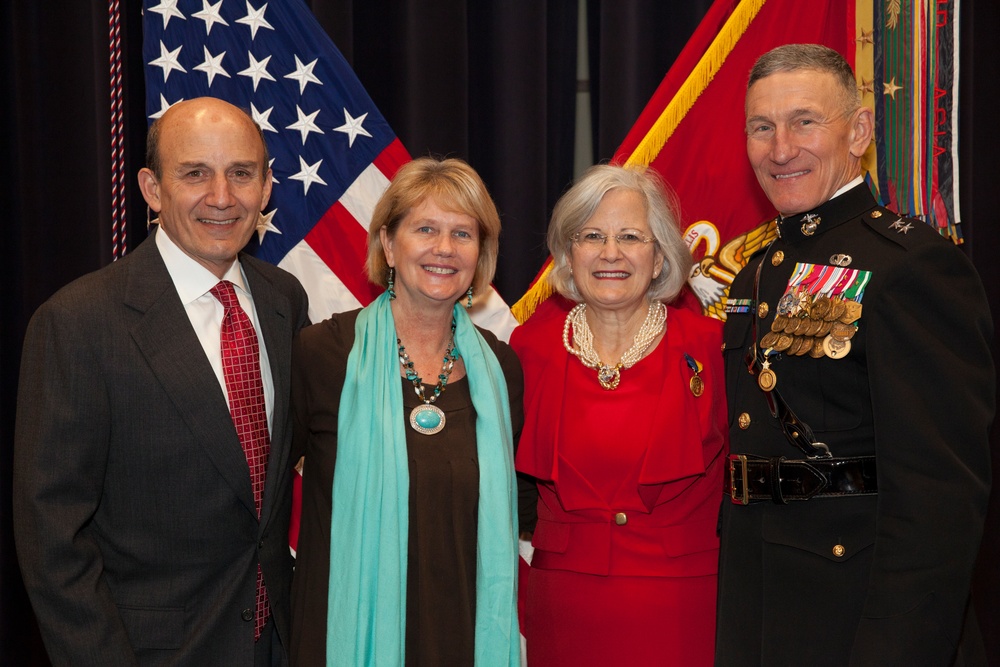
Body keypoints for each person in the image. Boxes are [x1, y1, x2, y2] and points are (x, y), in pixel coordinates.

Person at [716, 44, 994, 665]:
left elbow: (938, 502)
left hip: (858, 617)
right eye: (762, 127)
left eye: (805, 121)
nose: (780, 147)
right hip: (759, 607)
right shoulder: (754, 277)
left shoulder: (913, 266)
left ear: (860, 130)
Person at [13, 97, 309, 665]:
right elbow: (52, 538)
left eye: (241, 173)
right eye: (195, 173)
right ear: (151, 190)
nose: (222, 197)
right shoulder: (78, 322)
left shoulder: (283, 301)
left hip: (279, 644)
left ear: (267, 188)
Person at [289, 156, 527, 666]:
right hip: (345, 634)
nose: (445, 249)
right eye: (425, 229)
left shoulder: (500, 368)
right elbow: (264, 496)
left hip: (466, 636)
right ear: (388, 245)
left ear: (480, 254)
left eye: (463, 234)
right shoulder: (322, 354)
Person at [513, 164, 728, 665]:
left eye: (631, 236)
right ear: (569, 255)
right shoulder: (529, 349)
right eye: (592, 236)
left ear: (658, 259)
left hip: (682, 605)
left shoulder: (713, 349)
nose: (611, 253)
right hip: (565, 607)